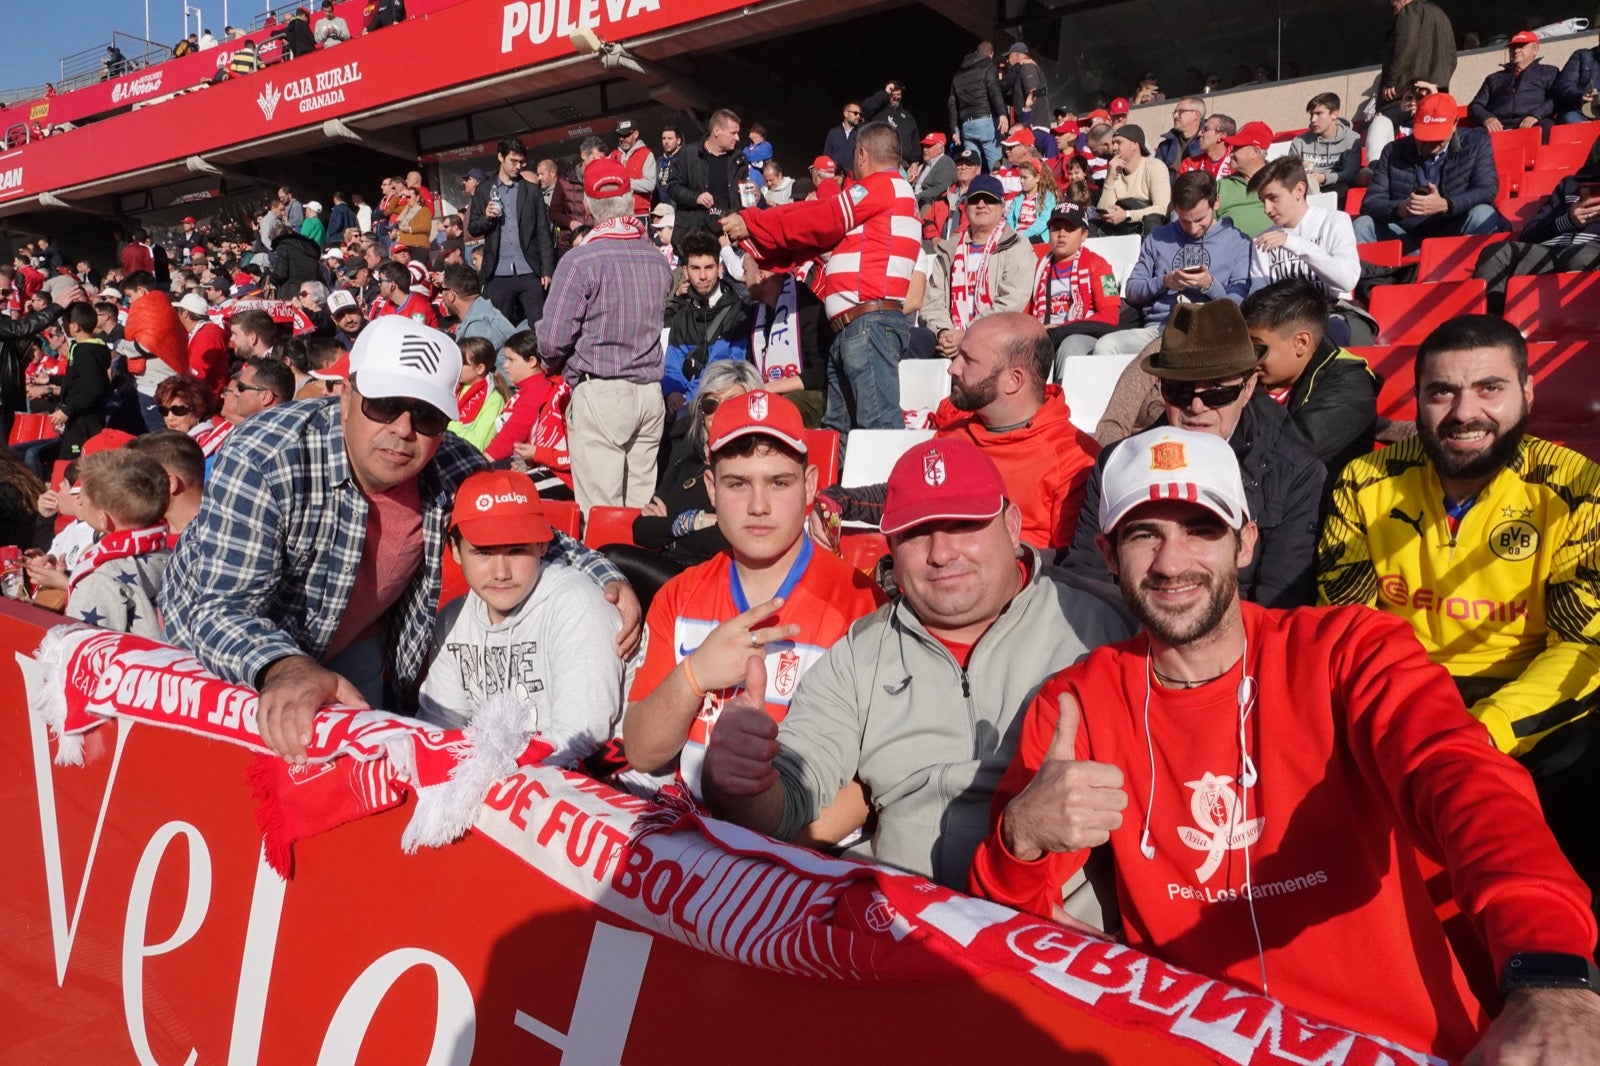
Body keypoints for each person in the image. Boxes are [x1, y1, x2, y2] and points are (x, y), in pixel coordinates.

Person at [972, 423, 1600, 1064]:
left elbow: (1462, 779)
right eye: (1143, 534)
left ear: (1245, 542)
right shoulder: (1079, 703)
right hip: (1201, 1045)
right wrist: (1020, 838)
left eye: (1201, 528)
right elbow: (1010, 922)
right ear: (1107, 553)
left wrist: (1550, 971)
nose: (1171, 562)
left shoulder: (1349, 651)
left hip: (1401, 1042)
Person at [162, 316, 636, 762]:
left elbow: (530, 530)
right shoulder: (267, 456)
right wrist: (284, 665)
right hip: (229, 653)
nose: (403, 429)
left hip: (352, 645)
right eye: (385, 404)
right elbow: (219, 609)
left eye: (427, 415)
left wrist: (606, 576)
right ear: (346, 396)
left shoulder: (450, 463)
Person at [702, 437, 1128, 894]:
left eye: (964, 524)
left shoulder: (1099, 627)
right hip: (899, 925)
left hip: (1057, 933)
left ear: (1011, 525)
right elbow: (790, 798)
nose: (941, 553)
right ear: (890, 545)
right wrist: (742, 781)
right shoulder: (862, 652)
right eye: (916, 533)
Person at [1317, 314, 1600, 901]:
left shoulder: (1580, 489)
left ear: (1526, 392)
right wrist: (1420, 722)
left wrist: (1480, 733)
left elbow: (1581, 645)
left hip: (1529, 699)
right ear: (1417, 399)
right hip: (1403, 692)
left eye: (1489, 388)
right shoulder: (1363, 481)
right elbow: (1347, 627)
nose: (1464, 413)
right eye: (1442, 391)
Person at [622, 391, 884, 820]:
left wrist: (769, 857)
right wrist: (695, 675)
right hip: (692, 839)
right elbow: (642, 752)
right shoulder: (678, 595)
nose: (758, 506)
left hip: (805, 859)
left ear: (810, 484)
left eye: (779, 482)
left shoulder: (861, 604)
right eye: (737, 483)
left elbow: (873, 785)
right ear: (711, 488)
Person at [1069, 300, 1325, 608]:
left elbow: (1280, 603)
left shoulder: (1296, 473)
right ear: (1161, 390)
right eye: (1180, 392)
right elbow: (1087, 578)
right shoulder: (1115, 464)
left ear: (1248, 387)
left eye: (1218, 393)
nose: (1196, 407)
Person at [815, 312, 1098, 554]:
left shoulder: (1074, 460)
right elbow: (906, 497)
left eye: (968, 360)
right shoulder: (954, 434)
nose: (952, 368)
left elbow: (1071, 566)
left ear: (1013, 380)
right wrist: (840, 500)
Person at [418, 469, 624, 769]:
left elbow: (581, 736)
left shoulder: (577, 605)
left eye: (516, 550)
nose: (501, 572)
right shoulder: (451, 620)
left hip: (603, 784)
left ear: (543, 545)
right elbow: (442, 730)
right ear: (456, 551)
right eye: (483, 553)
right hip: (507, 782)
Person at [722, 123, 919, 434]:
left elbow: (820, 218)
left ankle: (885, 484)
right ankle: (836, 484)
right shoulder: (886, 197)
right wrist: (756, 237)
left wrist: (754, 222)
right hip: (855, 326)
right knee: (836, 428)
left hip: (867, 324)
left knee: (877, 425)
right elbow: (814, 241)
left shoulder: (880, 186)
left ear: (862, 154)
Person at [536, 158, 672, 513]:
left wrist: (554, 363)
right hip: (648, 393)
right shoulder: (657, 259)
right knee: (641, 512)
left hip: (602, 391)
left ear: (589, 207)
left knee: (601, 515)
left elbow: (551, 339)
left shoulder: (580, 260)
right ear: (628, 200)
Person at [1092, 171, 1252, 358]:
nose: (1193, 228)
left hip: (1211, 331)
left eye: (1200, 219)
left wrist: (1208, 285)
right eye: (1184, 221)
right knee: (1106, 346)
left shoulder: (1238, 241)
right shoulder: (1159, 237)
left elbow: (1240, 305)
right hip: (1161, 330)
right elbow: (1133, 290)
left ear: (1216, 202)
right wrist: (1164, 282)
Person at [1240, 278, 1377, 470]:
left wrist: (1247, 391)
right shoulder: (1273, 376)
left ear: (1301, 343)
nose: (1249, 359)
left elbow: (1299, 452)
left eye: (1257, 348)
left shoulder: (1350, 383)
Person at [630, 361, 757, 568]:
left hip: (714, 577)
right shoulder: (686, 462)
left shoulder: (752, 470)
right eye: (710, 404)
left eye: (732, 403)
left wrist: (670, 530)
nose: (720, 412)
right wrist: (695, 521)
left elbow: (727, 541)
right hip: (670, 569)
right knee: (611, 556)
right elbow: (642, 530)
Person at [1355, 93, 1507, 254]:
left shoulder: (1476, 142)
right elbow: (1371, 202)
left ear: (1455, 123)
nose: (1429, 144)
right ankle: (1372, 277)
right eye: (1424, 137)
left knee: (1483, 215)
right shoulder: (1392, 151)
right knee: (1363, 225)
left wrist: (1446, 204)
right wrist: (1400, 208)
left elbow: (1486, 190)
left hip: (1455, 228)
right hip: (1408, 234)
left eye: (1437, 138)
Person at [1472, 138, 1600, 313]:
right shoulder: (1569, 184)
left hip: (1591, 251)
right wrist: (1568, 220)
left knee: (1580, 256)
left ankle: (1576, 331)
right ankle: (1489, 331)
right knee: (1496, 253)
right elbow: (1530, 234)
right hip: (1548, 251)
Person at [923, 176, 1037, 357]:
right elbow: (932, 301)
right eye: (975, 200)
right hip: (948, 338)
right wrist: (944, 332)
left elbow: (1011, 302)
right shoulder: (948, 250)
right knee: (912, 340)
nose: (981, 205)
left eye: (989, 200)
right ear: (966, 206)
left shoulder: (1016, 245)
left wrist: (968, 333)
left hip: (997, 337)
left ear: (1002, 206)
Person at [469, 136, 556, 329]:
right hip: (498, 272)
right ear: (500, 157)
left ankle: (540, 359)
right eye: (513, 161)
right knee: (501, 328)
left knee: (540, 326)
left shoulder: (531, 191)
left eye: (521, 162)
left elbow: (543, 232)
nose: (518, 166)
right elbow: (473, 228)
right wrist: (486, 217)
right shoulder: (484, 190)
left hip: (529, 270)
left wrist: (547, 269)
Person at [662, 230, 751, 416]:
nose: (702, 276)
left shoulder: (738, 313)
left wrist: (691, 399)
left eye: (709, 267)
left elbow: (727, 367)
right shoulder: (682, 316)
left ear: (720, 269)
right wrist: (672, 392)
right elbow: (671, 365)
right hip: (684, 408)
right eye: (695, 268)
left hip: (722, 407)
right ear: (685, 271)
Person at [1247, 156, 1361, 299]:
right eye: (1263, 201)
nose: (1267, 209)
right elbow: (1259, 295)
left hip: (1332, 312)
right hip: (1284, 317)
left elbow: (1348, 281)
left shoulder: (1334, 221)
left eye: (1273, 198)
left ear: (1299, 190)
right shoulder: (1263, 239)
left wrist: (1293, 243)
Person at [744, 256, 832, 428]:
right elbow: (749, 364)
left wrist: (769, 388)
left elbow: (822, 372)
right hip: (771, 392)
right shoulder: (757, 314)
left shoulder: (808, 308)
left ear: (760, 276)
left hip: (813, 395)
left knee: (777, 408)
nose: (742, 278)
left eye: (745, 272)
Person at [1028, 204, 1120, 365]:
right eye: (1056, 229)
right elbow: (1026, 313)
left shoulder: (1099, 265)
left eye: (1069, 229)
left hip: (1082, 337)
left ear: (1084, 234)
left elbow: (1111, 316)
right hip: (1042, 337)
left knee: (1070, 345)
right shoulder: (1038, 267)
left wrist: (1061, 330)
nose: (1061, 234)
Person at [483, 331, 571, 498]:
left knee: (502, 495)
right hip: (538, 465)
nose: (505, 365)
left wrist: (482, 461)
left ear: (531, 361)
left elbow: (513, 435)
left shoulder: (537, 390)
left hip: (562, 475)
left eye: (511, 359)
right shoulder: (526, 390)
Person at [667, 110, 747, 247]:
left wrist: (756, 195)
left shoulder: (738, 160)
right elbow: (673, 187)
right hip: (692, 235)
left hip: (726, 237)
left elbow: (744, 195)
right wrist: (695, 197)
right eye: (733, 133)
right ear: (716, 131)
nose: (738, 138)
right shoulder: (688, 154)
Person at [1468, 31, 1559, 134]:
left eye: (1521, 46)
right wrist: (1487, 118)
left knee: (1547, 127)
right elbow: (1475, 105)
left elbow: (1557, 98)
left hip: (1533, 124)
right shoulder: (1494, 78)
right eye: (1513, 47)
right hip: (1498, 127)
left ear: (1535, 49)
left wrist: (1536, 115)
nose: (1516, 50)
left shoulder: (1548, 72)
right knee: (1467, 135)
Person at [1095, 125, 1171, 237]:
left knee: (1153, 220)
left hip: (1144, 224)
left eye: (1118, 143)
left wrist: (1127, 215)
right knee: (1091, 226)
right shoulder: (1114, 170)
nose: (1114, 148)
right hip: (1121, 226)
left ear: (1135, 145)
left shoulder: (1154, 167)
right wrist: (1110, 179)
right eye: (1113, 143)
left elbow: (1162, 208)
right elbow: (1104, 211)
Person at [1288, 93, 1362, 205]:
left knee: (1342, 188)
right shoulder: (1299, 142)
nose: (1313, 119)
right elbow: (1289, 173)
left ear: (1334, 114)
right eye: (1311, 114)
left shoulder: (1352, 139)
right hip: (1305, 190)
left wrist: (1323, 178)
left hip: (1337, 189)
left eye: (1319, 114)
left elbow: (1350, 173)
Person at [128, 430, 205, 536]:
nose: (125, 491)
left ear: (169, 484)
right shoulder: (142, 539)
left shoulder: (221, 540)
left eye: (136, 482)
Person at [1379, 0, 1455, 105]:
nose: (1393, 9)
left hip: (1407, 93)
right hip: (1436, 95)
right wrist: (1437, 83)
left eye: (1394, 4)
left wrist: (1391, 81)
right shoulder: (1441, 15)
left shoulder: (1409, 11)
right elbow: (1452, 59)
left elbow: (1404, 48)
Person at [948, 42, 1009, 169]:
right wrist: (1002, 113)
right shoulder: (988, 66)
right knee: (996, 166)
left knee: (972, 166)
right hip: (985, 122)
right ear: (991, 54)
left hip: (967, 125)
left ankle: (972, 188)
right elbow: (994, 91)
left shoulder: (959, 73)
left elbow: (952, 103)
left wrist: (954, 128)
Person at [446, 336, 508, 451]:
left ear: (479, 368)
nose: (456, 366)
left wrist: (447, 422)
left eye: (462, 363)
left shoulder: (494, 400)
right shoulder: (456, 387)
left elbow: (478, 444)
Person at [1214, 121, 1275, 238]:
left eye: (1236, 148)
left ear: (1255, 152)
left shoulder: (1280, 180)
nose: (1230, 153)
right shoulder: (1220, 186)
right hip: (1233, 253)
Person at [439, 264, 515, 349]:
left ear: (451, 295)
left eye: (442, 290)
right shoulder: (484, 310)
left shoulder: (476, 329)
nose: (441, 294)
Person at [861, 80, 920, 166]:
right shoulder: (877, 111)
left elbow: (915, 144)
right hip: (878, 160)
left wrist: (914, 162)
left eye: (898, 95)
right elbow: (865, 108)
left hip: (902, 164)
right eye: (893, 95)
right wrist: (885, 93)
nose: (896, 98)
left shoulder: (908, 117)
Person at [610, 119, 658, 220]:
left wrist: (624, 183)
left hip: (639, 213)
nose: (622, 139)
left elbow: (650, 184)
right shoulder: (613, 155)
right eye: (620, 135)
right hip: (616, 214)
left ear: (636, 134)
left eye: (626, 135)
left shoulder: (646, 154)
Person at [1005, 159, 1058, 244]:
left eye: (1025, 178)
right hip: (1016, 237)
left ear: (1037, 178)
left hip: (1037, 237)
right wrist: (1012, 235)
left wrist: (1024, 235)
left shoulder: (1048, 198)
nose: (1021, 181)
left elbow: (1044, 221)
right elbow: (1010, 219)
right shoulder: (1018, 199)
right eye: (1020, 177)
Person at [1176, 113, 1237, 180]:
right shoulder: (1190, 164)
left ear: (1221, 136)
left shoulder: (1238, 164)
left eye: (1206, 129)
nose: (1199, 134)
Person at [1154, 97, 1206, 174]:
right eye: (1175, 112)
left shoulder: (1208, 142)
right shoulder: (1165, 146)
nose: (1175, 116)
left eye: (1181, 112)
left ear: (1196, 115)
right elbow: (1157, 174)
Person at [1554, 41, 1600, 124]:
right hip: (1581, 113)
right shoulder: (1582, 56)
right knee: (1570, 118)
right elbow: (1564, 85)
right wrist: (1580, 97)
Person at [911, 133, 956, 212]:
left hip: (929, 204)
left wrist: (917, 197)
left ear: (940, 149)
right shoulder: (926, 164)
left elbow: (940, 188)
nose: (925, 149)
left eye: (929, 146)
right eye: (924, 146)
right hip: (915, 201)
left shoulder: (945, 162)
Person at [822, 103, 861, 176]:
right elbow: (826, 156)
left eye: (859, 114)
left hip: (853, 178)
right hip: (835, 177)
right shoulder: (833, 133)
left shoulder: (861, 134)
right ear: (846, 114)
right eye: (855, 113)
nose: (858, 116)